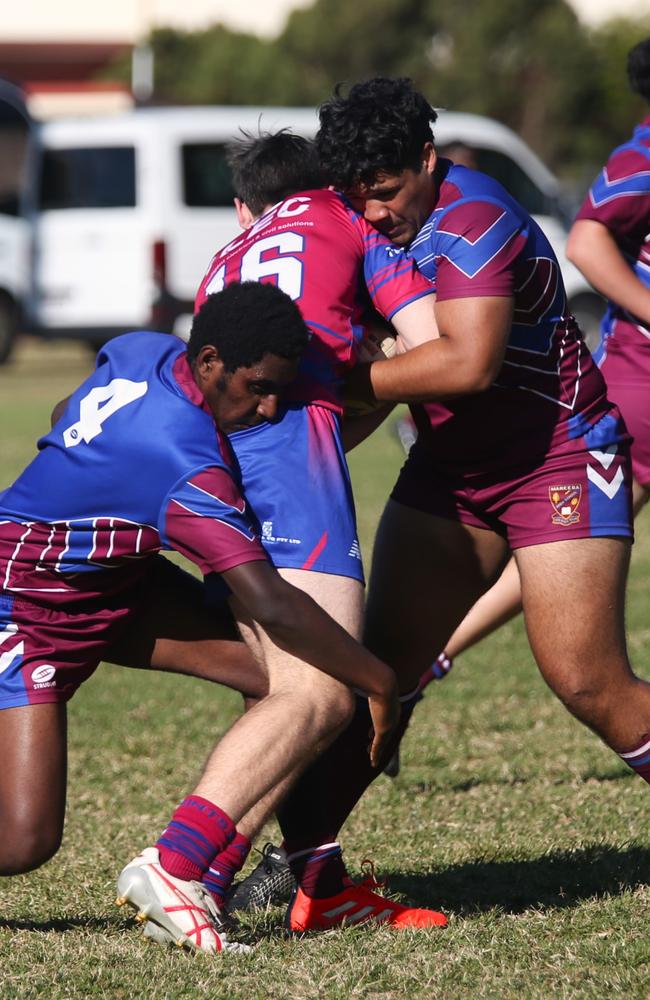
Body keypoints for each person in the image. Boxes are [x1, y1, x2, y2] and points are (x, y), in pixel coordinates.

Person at [245, 77, 650, 914]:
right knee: (376, 672)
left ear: (427, 160)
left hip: (560, 459)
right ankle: (308, 871)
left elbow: (467, 365)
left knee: (587, 681)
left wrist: (342, 378)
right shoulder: (357, 216)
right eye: (360, 197)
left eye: (389, 192)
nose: (378, 213)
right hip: (452, 472)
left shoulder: (476, 219)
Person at [0, 281, 407, 954]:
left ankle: (201, 875)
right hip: (26, 604)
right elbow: (274, 602)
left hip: (116, 585)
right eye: (259, 387)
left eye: (282, 388)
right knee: (24, 838)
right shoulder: (184, 466)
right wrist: (382, 682)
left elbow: (65, 406)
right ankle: (178, 871)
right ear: (212, 361)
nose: (270, 405)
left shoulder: (145, 350)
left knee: (289, 689)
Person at [190, 131, 447, 932]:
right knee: (324, 689)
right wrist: (367, 366)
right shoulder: (348, 222)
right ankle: (183, 868)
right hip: (289, 453)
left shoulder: (227, 257)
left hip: (216, 457)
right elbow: (435, 344)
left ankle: (318, 883)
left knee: (278, 684)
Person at [394, 36, 650, 721]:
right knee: (574, 551)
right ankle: (435, 656)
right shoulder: (643, 159)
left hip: (557, 423)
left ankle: (430, 659)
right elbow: (589, 240)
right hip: (638, 383)